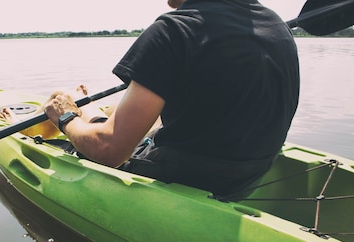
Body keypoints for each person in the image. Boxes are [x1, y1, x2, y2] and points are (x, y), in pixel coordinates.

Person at [43, 0, 300, 196]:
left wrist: (65, 119)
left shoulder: (174, 29)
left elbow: (110, 152)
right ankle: (87, 107)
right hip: (249, 176)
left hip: (187, 177)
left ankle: (74, 108)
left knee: (75, 137)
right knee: (150, 128)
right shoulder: (277, 26)